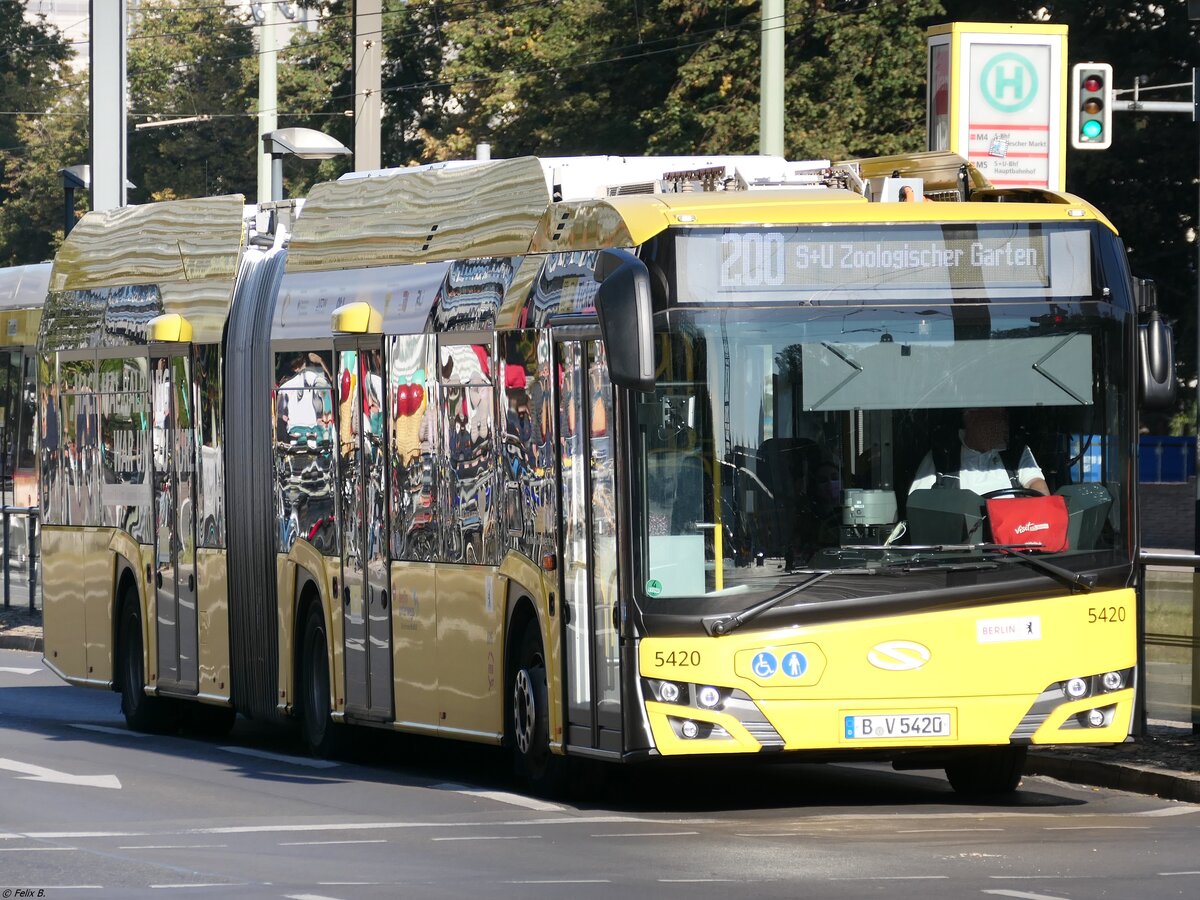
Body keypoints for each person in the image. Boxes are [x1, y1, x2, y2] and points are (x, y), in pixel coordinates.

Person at [909, 407, 1049, 496]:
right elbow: (918, 503)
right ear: (972, 418)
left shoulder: (1016, 452)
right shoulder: (941, 456)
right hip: (961, 540)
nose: (1005, 423)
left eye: (1005, 416)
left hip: (1012, 536)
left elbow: (1036, 484)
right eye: (998, 416)